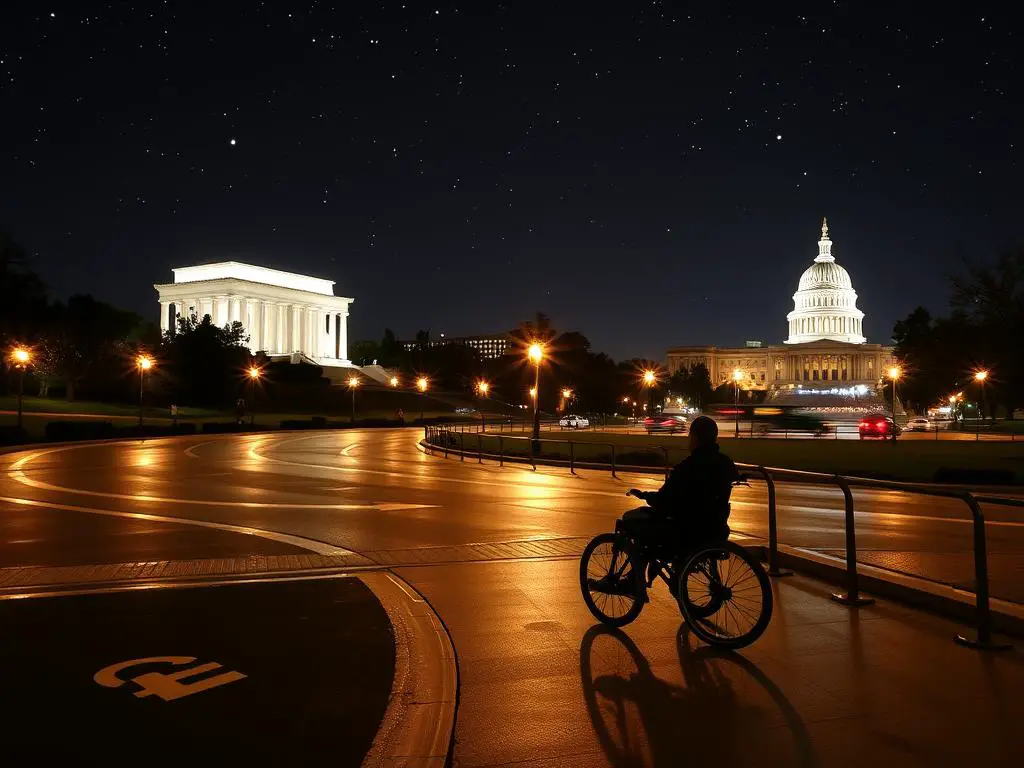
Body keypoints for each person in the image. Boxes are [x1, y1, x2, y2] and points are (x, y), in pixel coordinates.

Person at [620, 415, 740, 588]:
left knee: (633, 522)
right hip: (715, 527)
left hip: (685, 532)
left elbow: (664, 499)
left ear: (695, 438)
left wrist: (646, 496)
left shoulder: (687, 467)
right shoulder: (726, 463)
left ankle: (633, 580)